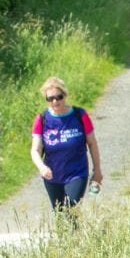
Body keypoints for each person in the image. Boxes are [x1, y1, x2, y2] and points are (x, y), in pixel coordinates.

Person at [29, 77, 104, 210]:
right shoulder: (42, 119)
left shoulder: (79, 115)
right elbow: (35, 150)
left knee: (71, 209)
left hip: (77, 173)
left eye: (59, 97)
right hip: (52, 176)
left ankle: (75, 230)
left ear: (65, 95)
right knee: (60, 215)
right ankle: (73, 232)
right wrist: (41, 167)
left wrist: (97, 170)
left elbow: (92, 143)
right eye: (50, 98)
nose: (55, 101)